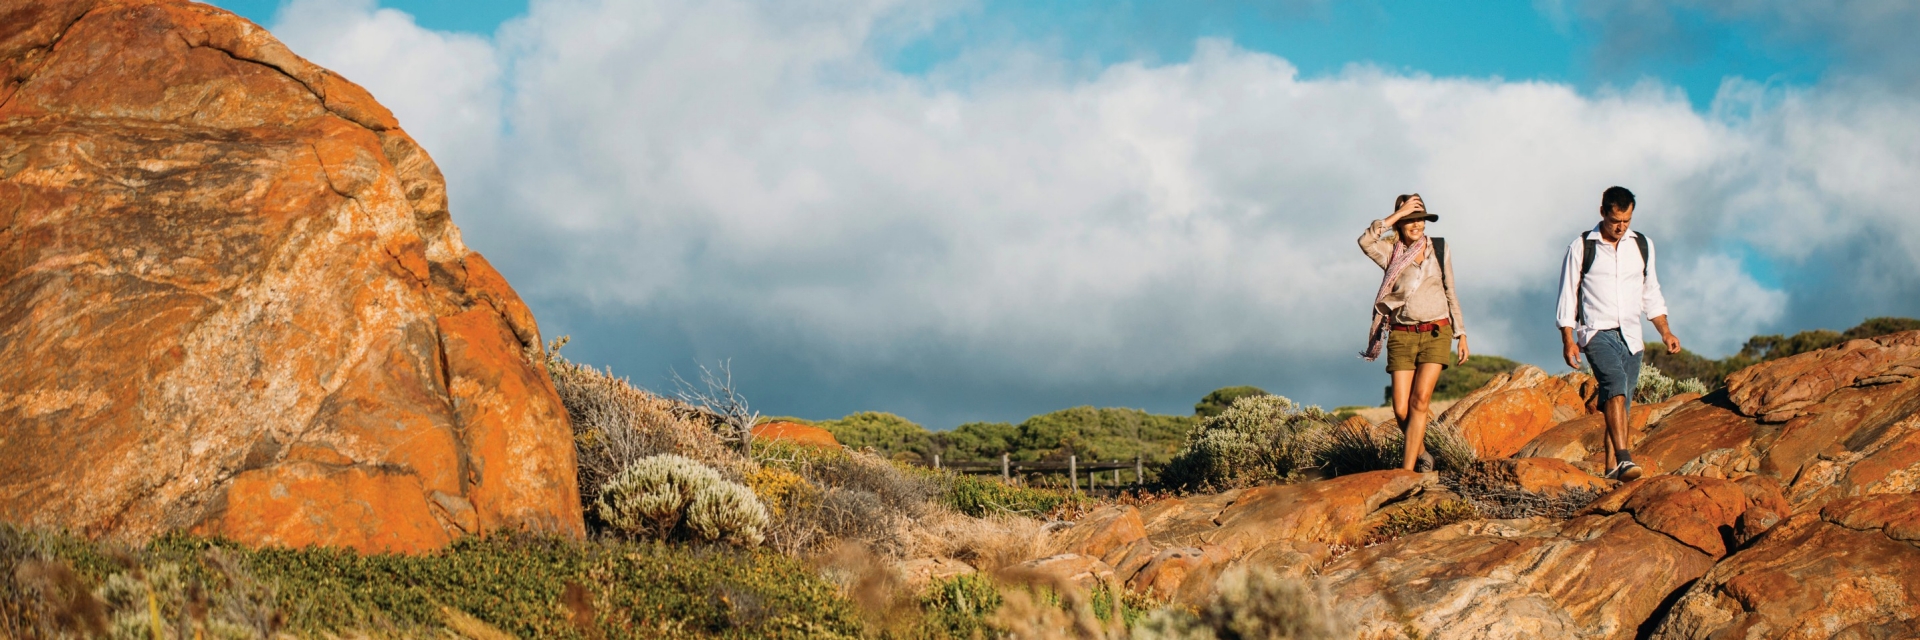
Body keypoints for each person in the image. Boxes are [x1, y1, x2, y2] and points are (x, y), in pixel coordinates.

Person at [1555, 186, 1681, 481]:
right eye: (1615, 221)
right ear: (1603, 213)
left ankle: (1612, 468)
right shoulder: (1582, 246)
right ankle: (1625, 458)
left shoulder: (1642, 245)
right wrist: (1568, 339)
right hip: (1596, 331)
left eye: (1626, 221)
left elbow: (1651, 292)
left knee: (1623, 402)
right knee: (1615, 384)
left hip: (1632, 336)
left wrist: (1665, 331)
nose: (1621, 227)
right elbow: (1567, 295)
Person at [1359, 194, 1469, 473]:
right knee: (1400, 409)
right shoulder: (1389, 252)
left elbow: (1450, 291)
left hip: (1436, 332)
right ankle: (1423, 453)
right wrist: (1396, 215)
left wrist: (1461, 333)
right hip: (1401, 335)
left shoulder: (1439, 248)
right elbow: (1365, 241)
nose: (1416, 224)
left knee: (1419, 401)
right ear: (1399, 223)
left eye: (1420, 218)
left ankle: (1407, 472)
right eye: (1410, 220)